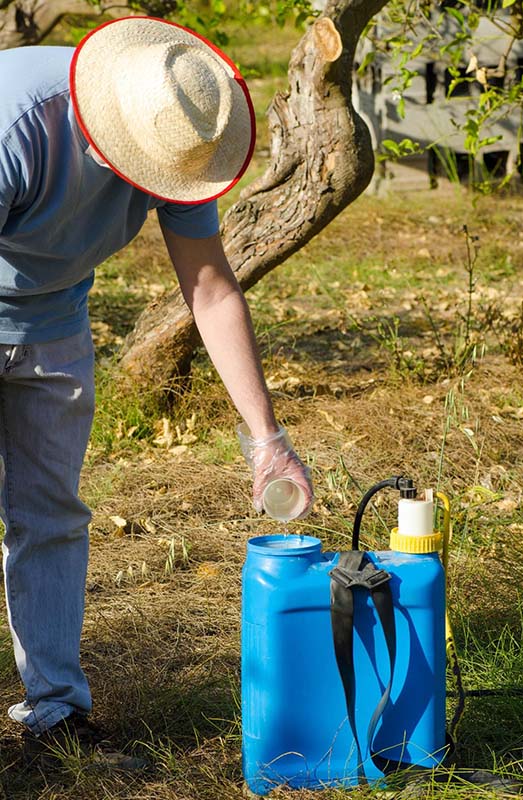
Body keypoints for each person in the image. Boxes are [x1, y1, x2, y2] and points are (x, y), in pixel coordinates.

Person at [0, 15, 313, 760]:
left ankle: (55, 717)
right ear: (105, 130)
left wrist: (266, 440)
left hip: (54, 316)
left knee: (50, 515)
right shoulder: (16, 122)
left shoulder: (177, 128)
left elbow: (209, 287)